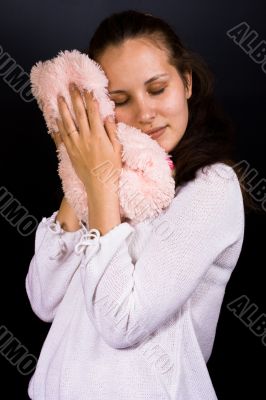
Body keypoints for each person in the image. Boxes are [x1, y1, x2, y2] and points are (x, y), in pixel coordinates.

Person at [25, 9, 254, 400]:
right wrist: (77, 171)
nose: (146, 114)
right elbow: (44, 299)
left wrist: (98, 181)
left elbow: (123, 322)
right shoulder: (110, 175)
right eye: (121, 100)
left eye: (157, 88)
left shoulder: (212, 186)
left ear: (185, 82)